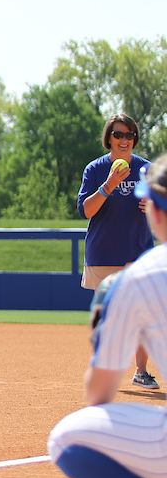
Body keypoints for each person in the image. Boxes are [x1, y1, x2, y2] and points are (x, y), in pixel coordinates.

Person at [49, 153, 167, 478]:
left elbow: (98, 396)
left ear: (152, 209)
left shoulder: (136, 279)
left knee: (67, 436)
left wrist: (103, 329)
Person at [78, 113, 158, 389]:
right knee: (109, 317)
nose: (125, 140)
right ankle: (104, 372)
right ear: (109, 139)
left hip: (139, 253)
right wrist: (109, 185)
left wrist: (157, 207)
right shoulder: (96, 169)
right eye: (118, 135)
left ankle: (141, 371)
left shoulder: (148, 170)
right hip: (104, 253)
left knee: (145, 316)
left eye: (130, 135)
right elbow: (86, 210)